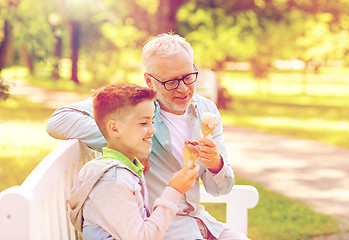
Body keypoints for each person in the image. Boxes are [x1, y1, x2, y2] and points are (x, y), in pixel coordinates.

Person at [47, 33, 250, 240]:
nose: (183, 88)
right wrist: (129, 141)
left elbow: (221, 189)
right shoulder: (133, 104)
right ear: (149, 81)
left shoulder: (206, 109)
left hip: (199, 221)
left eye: (188, 77)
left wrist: (216, 163)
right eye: (171, 81)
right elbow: (59, 120)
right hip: (160, 227)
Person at [68, 83, 199, 239]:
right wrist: (174, 190)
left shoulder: (126, 170)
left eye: (152, 121)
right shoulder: (113, 181)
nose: (152, 130)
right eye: (143, 123)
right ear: (115, 129)